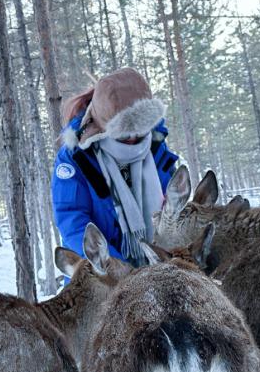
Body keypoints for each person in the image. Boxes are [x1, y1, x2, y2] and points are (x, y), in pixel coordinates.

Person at [53, 67, 179, 266]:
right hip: (101, 270)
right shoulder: (76, 158)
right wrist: (116, 267)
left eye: (140, 131)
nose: (134, 139)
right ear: (102, 128)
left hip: (158, 261)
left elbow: (173, 202)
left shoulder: (155, 144)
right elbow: (72, 220)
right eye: (124, 134)